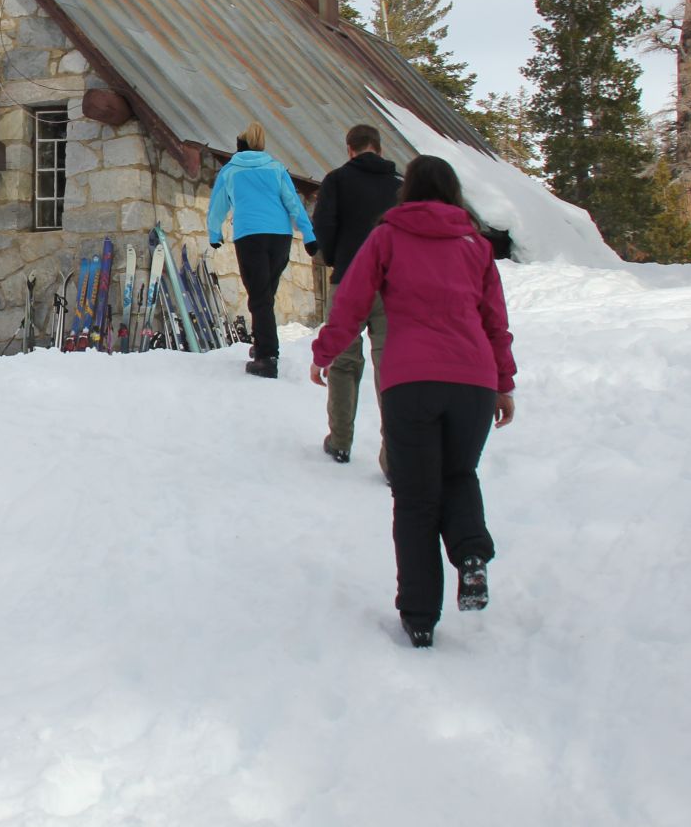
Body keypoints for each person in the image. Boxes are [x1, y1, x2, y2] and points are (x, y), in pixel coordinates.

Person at [308, 155, 515, 650]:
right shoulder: (475, 246)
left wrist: (325, 352)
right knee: (459, 476)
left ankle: (420, 615)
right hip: (472, 381)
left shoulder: (388, 236)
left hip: (410, 382)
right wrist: (503, 383)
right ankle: (469, 554)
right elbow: (494, 321)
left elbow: (352, 301)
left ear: (409, 192)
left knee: (416, 497)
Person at [309, 124, 401, 467]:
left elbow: (324, 227)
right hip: (392, 286)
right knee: (389, 368)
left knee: (345, 364)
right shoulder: (399, 186)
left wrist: (335, 258)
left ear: (349, 149)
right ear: (379, 147)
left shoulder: (336, 180)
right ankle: (393, 456)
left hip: (349, 279)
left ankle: (341, 441)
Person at [207, 121, 316, 378]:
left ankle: (267, 357)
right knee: (265, 292)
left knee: (259, 295)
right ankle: (262, 344)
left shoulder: (231, 171)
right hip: (280, 236)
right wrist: (309, 234)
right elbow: (293, 203)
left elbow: (218, 205)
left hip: (250, 235)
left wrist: (215, 233)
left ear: (239, 146)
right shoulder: (276, 169)